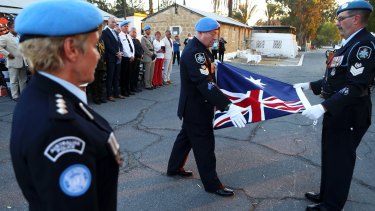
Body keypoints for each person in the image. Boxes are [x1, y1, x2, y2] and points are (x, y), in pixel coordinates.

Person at [10, 1, 122, 210]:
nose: (98, 55)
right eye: (93, 45)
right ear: (71, 49)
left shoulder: (42, 95)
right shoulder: (60, 128)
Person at [294, 1, 375, 210]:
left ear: (355, 19)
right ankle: (326, 195)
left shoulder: (364, 46)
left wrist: (323, 107)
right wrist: (309, 85)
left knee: (341, 160)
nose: (337, 23)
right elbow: (336, 79)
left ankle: (332, 205)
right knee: (330, 155)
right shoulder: (349, 44)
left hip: (350, 112)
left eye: (341, 19)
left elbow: (355, 86)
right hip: (338, 110)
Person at [166, 17, 246, 197]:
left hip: (193, 106)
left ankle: (173, 168)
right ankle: (212, 184)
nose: (215, 38)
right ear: (201, 33)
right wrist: (227, 105)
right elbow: (205, 83)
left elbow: (207, 73)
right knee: (205, 147)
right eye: (212, 34)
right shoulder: (196, 53)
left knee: (185, 139)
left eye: (216, 34)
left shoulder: (202, 50)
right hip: (197, 109)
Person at [0, 21, 28, 101]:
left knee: (23, 80)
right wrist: (8, 54)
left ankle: (23, 95)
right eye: (14, 27)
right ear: (9, 28)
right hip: (12, 61)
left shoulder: (20, 36)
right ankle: (15, 96)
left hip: (23, 61)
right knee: (14, 80)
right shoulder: (5, 37)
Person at [102, 17, 124, 101]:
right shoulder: (105, 32)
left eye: (115, 22)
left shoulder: (115, 32)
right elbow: (108, 45)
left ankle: (116, 93)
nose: (114, 24)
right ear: (108, 22)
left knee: (116, 76)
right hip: (111, 58)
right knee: (110, 77)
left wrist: (121, 52)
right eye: (113, 22)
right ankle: (109, 95)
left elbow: (119, 44)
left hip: (118, 58)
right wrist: (116, 53)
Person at [89, 25, 107, 105]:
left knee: (100, 81)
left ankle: (101, 97)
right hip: (94, 63)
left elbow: (103, 50)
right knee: (95, 82)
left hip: (101, 63)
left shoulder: (101, 39)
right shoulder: (91, 39)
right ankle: (95, 98)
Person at [119, 20, 135, 97]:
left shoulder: (128, 36)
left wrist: (133, 55)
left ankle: (128, 90)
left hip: (131, 58)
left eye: (127, 26)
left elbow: (132, 46)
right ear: (121, 27)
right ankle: (123, 91)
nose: (126, 27)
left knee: (129, 75)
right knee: (124, 75)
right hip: (125, 58)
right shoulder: (120, 36)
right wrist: (129, 56)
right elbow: (123, 48)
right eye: (125, 26)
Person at [141, 25, 155, 90]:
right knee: (147, 72)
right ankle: (147, 85)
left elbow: (152, 46)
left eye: (150, 30)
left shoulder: (150, 38)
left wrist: (154, 54)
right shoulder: (143, 38)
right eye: (148, 30)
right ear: (145, 31)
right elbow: (144, 47)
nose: (149, 31)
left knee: (151, 71)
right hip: (147, 56)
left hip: (152, 55)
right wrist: (151, 54)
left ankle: (150, 83)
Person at [129, 27, 143, 92]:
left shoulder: (137, 40)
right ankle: (132, 87)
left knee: (137, 73)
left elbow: (141, 48)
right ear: (130, 32)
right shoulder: (130, 40)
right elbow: (134, 50)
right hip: (134, 59)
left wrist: (142, 54)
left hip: (138, 59)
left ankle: (136, 86)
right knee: (132, 74)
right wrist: (139, 55)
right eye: (133, 32)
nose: (135, 33)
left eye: (135, 32)